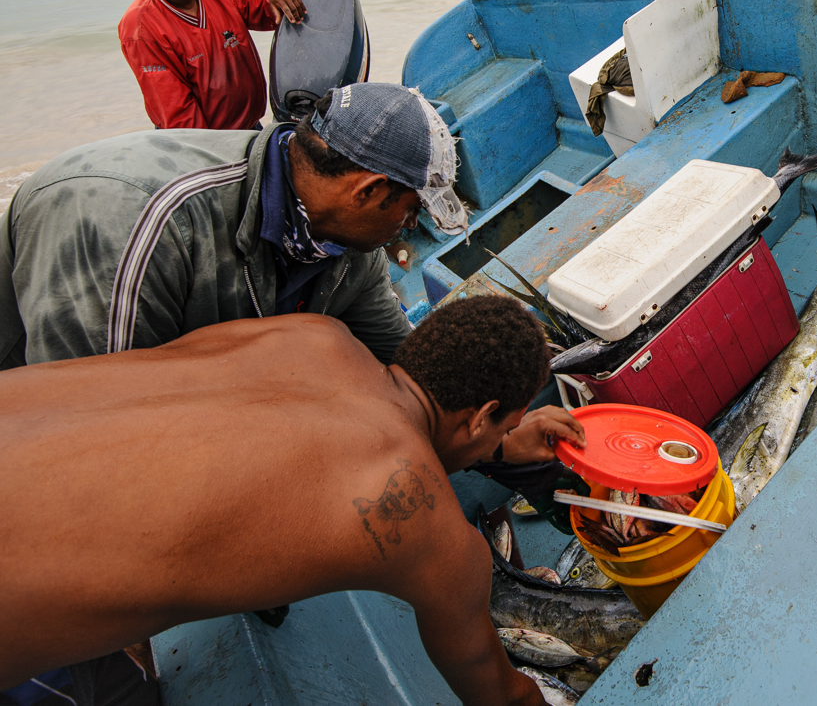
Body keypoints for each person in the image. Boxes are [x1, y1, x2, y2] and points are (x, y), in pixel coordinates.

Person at [0, 296, 586, 706]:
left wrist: (498, 447)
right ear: (482, 415)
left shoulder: (311, 332)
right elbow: (498, 695)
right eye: (499, 426)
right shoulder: (435, 537)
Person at [0, 80, 471, 373]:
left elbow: (394, 351)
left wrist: (493, 434)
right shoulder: (137, 222)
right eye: (411, 212)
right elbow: (90, 415)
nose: (407, 230)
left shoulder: (343, 244)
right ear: (366, 191)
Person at [119, 0, 308, 131]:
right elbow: (175, 109)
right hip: (203, 139)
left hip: (250, 126)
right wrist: (208, 149)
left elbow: (261, 1)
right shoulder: (141, 28)